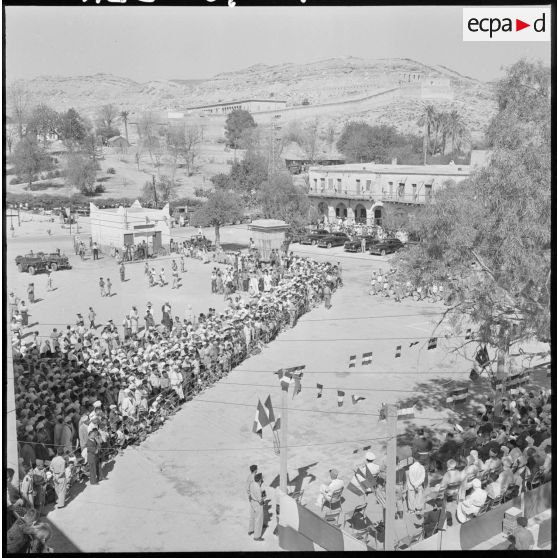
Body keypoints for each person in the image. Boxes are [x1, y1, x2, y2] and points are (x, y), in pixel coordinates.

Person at [248, 472, 265, 541]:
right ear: (259, 480)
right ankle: (257, 536)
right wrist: (263, 499)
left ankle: (251, 530)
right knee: (259, 519)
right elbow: (260, 499)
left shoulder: (252, 484)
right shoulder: (258, 487)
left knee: (252, 516)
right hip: (258, 504)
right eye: (261, 480)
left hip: (252, 502)